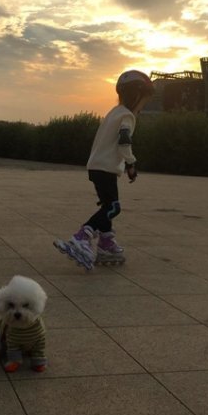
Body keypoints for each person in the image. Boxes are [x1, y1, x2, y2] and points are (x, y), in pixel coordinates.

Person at [54, 70, 154, 270]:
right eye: (144, 101)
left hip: (96, 166)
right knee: (113, 207)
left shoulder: (113, 112)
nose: (143, 106)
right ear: (136, 96)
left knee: (107, 204)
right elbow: (124, 141)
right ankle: (81, 237)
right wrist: (131, 164)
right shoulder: (127, 116)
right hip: (106, 168)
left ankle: (106, 243)